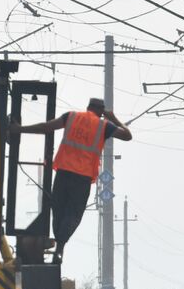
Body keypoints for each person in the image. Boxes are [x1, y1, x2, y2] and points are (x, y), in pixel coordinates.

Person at [13, 98, 132, 263]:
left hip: (63, 173)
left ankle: (59, 244)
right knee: (73, 214)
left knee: (58, 210)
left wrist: (20, 129)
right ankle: (60, 246)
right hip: (82, 179)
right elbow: (127, 135)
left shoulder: (71, 117)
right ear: (101, 111)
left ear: (87, 107)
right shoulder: (104, 126)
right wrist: (112, 118)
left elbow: (45, 127)